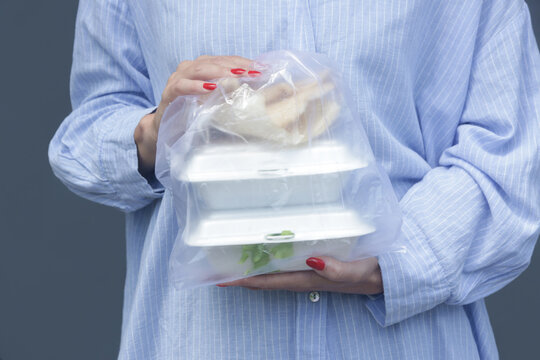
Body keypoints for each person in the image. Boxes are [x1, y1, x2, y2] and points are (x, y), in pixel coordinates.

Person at [49, 0, 540, 358]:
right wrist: (158, 131)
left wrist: (395, 256)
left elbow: (508, 157)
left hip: (406, 342)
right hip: (202, 341)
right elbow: (89, 127)